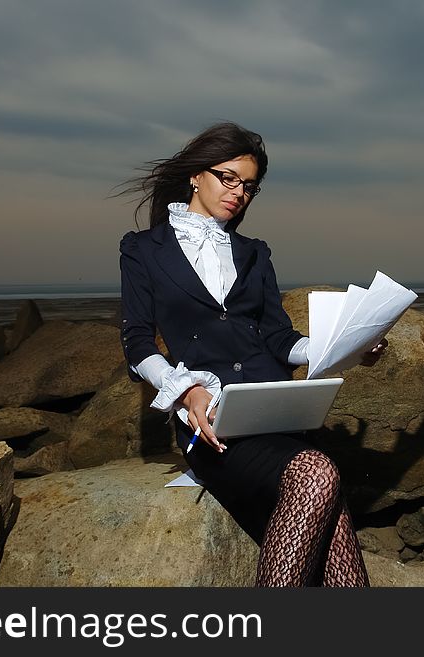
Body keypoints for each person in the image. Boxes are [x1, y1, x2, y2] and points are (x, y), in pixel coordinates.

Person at [118, 122, 386, 587]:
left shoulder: (254, 253)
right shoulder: (143, 250)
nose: (239, 193)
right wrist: (186, 392)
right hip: (215, 421)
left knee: (338, 540)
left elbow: (280, 339)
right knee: (320, 474)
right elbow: (138, 341)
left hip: (276, 411)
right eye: (229, 178)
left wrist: (345, 344)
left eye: (249, 187)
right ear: (195, 176)